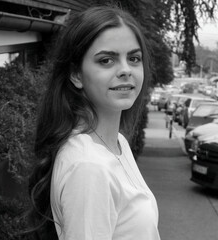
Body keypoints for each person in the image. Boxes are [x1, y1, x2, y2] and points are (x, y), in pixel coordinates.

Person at [27, 5, 161, 240]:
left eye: (134, 58)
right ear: (76, 74)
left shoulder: (117, 143)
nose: (126, 70)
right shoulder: (90, 166)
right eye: (107, 60)